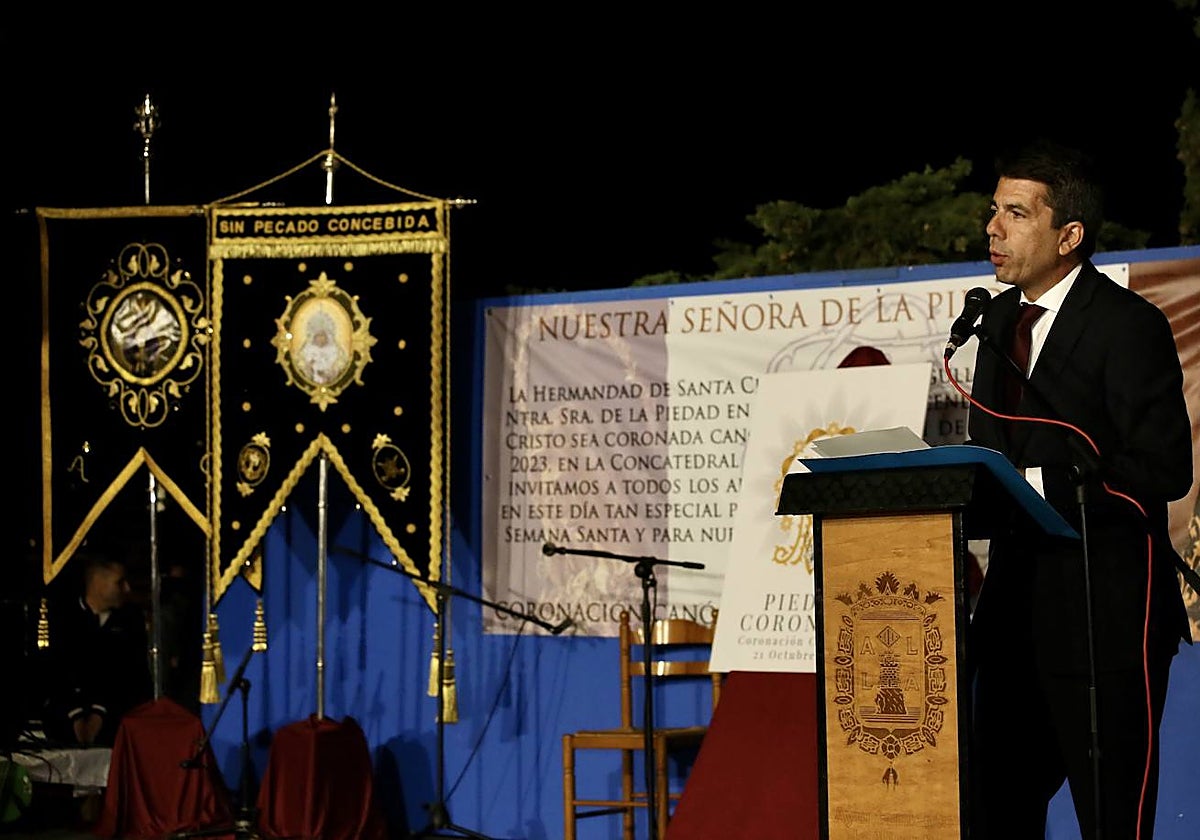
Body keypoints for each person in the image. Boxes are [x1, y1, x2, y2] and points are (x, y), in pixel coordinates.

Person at [965, 138, 1193, 838]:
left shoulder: (1129, 326)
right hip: (1012, 607)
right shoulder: (997, 322)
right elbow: (989, 452)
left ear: (1069, 235)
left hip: (1105, 611)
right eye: (992, 212)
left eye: (1015, 213)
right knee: (998, 804)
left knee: (1110, 812)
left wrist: (1042, 481)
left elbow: (1162, 468)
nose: (993, 229)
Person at [41, 552, 153, 747]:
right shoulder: (63, 618)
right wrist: (75, 715)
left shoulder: (131, 621)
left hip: (116, 719)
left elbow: (131, 673)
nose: (127, 588)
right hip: (66, 717)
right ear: (98, 583)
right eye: (119, 582)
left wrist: (99, 712)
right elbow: (54, 670)